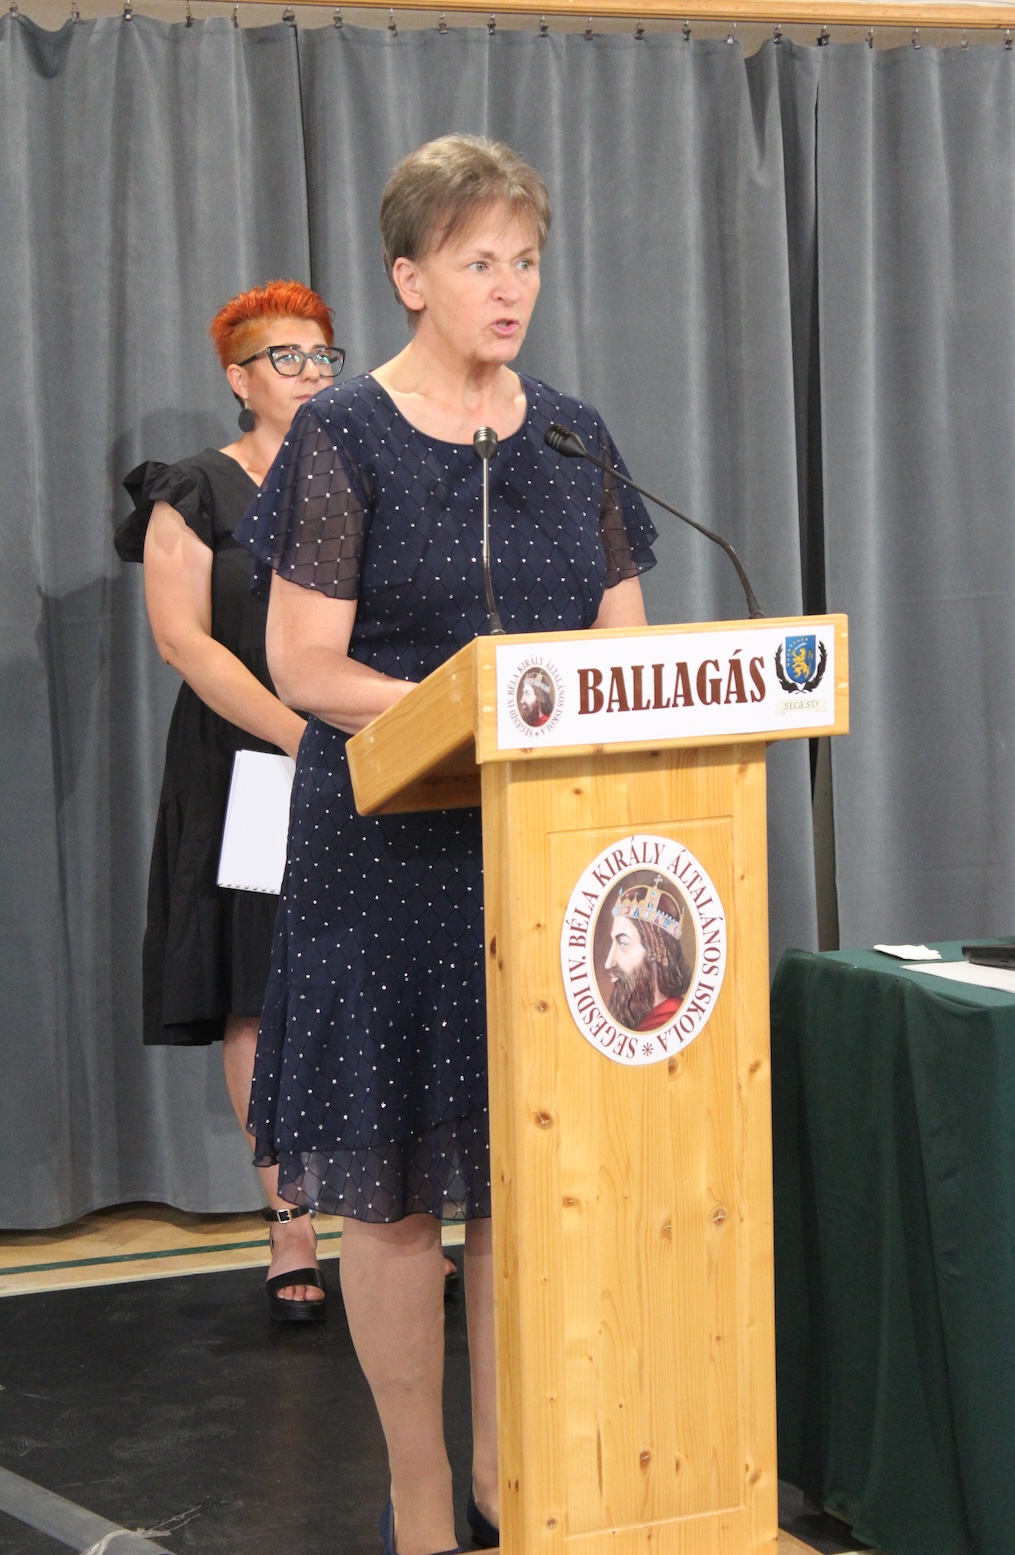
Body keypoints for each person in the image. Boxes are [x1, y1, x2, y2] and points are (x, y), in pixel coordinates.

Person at [235, 135, 658, 1555]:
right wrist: (472, 702)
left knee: (525, 1182)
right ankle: (419, 1487)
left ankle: (504, 1470)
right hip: (386, 856)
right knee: (397, 1192)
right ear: (410, 277)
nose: (509, 287)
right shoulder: (343, 435)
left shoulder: (571, 434)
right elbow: (305, 663)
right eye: (479, 261)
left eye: (524, 260)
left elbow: (625, 654)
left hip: (544, 858)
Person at [115, 280, 345, 1322]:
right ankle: (289, 1220)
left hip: (365, 756)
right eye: (285, 358)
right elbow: (184, 641)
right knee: (260, 991)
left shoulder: (361, 477)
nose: (309, 374)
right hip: (251, 760)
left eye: (322, 356)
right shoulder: (197, 490)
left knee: (364, 980)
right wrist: (299, 736)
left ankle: (382, 1219)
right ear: (238, 379)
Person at [604, 881, 692, 1031]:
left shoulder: (673, 1020)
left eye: (623, 943)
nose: (608, 963)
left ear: (657, 949)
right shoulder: (636, 1021)